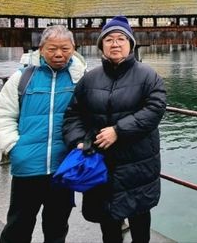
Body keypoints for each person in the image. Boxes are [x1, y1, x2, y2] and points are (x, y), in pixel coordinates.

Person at [63, 15, 166, 243]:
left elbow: (155, 109)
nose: (115, 44)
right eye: (109, 40)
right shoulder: (89, 80)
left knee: (140, 222)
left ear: (131, 44)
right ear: (101, 45)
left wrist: (118, 131)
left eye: (121, 39)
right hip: (101, 163)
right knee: (107, 224)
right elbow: (72, 115)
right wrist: (79, 141)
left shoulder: (148, 76)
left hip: (137, 164)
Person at [0, 25, 87, 243]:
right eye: (52, 49)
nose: (59, 54)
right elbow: (1, 114)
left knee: (57, 227)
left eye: (65, 48)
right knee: (18, 227)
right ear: (41, 49)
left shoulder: (80, 79)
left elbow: (90, 116)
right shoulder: (23, 77)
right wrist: (13, 147)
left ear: (74, 48)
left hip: (63, 168)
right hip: (28, 167)